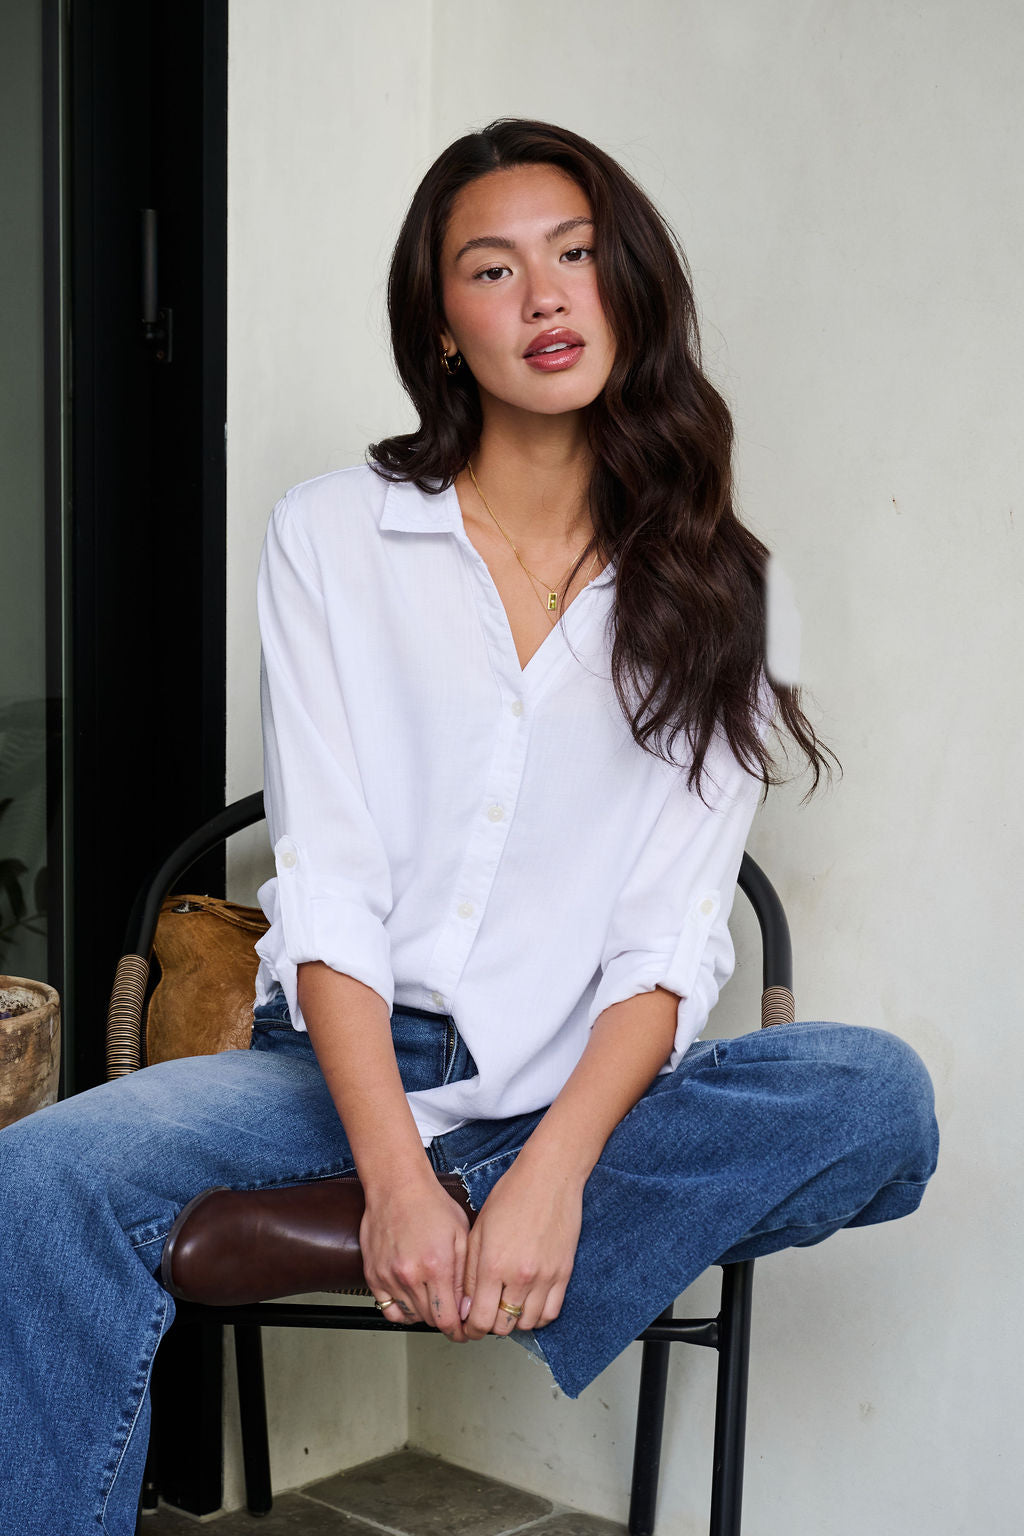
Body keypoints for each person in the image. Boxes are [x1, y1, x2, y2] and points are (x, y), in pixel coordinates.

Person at [0, 118, 938, 1535]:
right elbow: (331, 885)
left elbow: (668, 944)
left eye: (574, 256)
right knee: (37, 1179)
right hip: (335, 1077)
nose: (545, 295)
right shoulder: (330, 535)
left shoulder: (725, 592)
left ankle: (513, 1225)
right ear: (444, 330)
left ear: (627, 288)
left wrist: (549, 1178)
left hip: (587, 1093)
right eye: (492, 271)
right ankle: (447, 1212)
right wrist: (394, 1178)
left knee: (876, 1096)